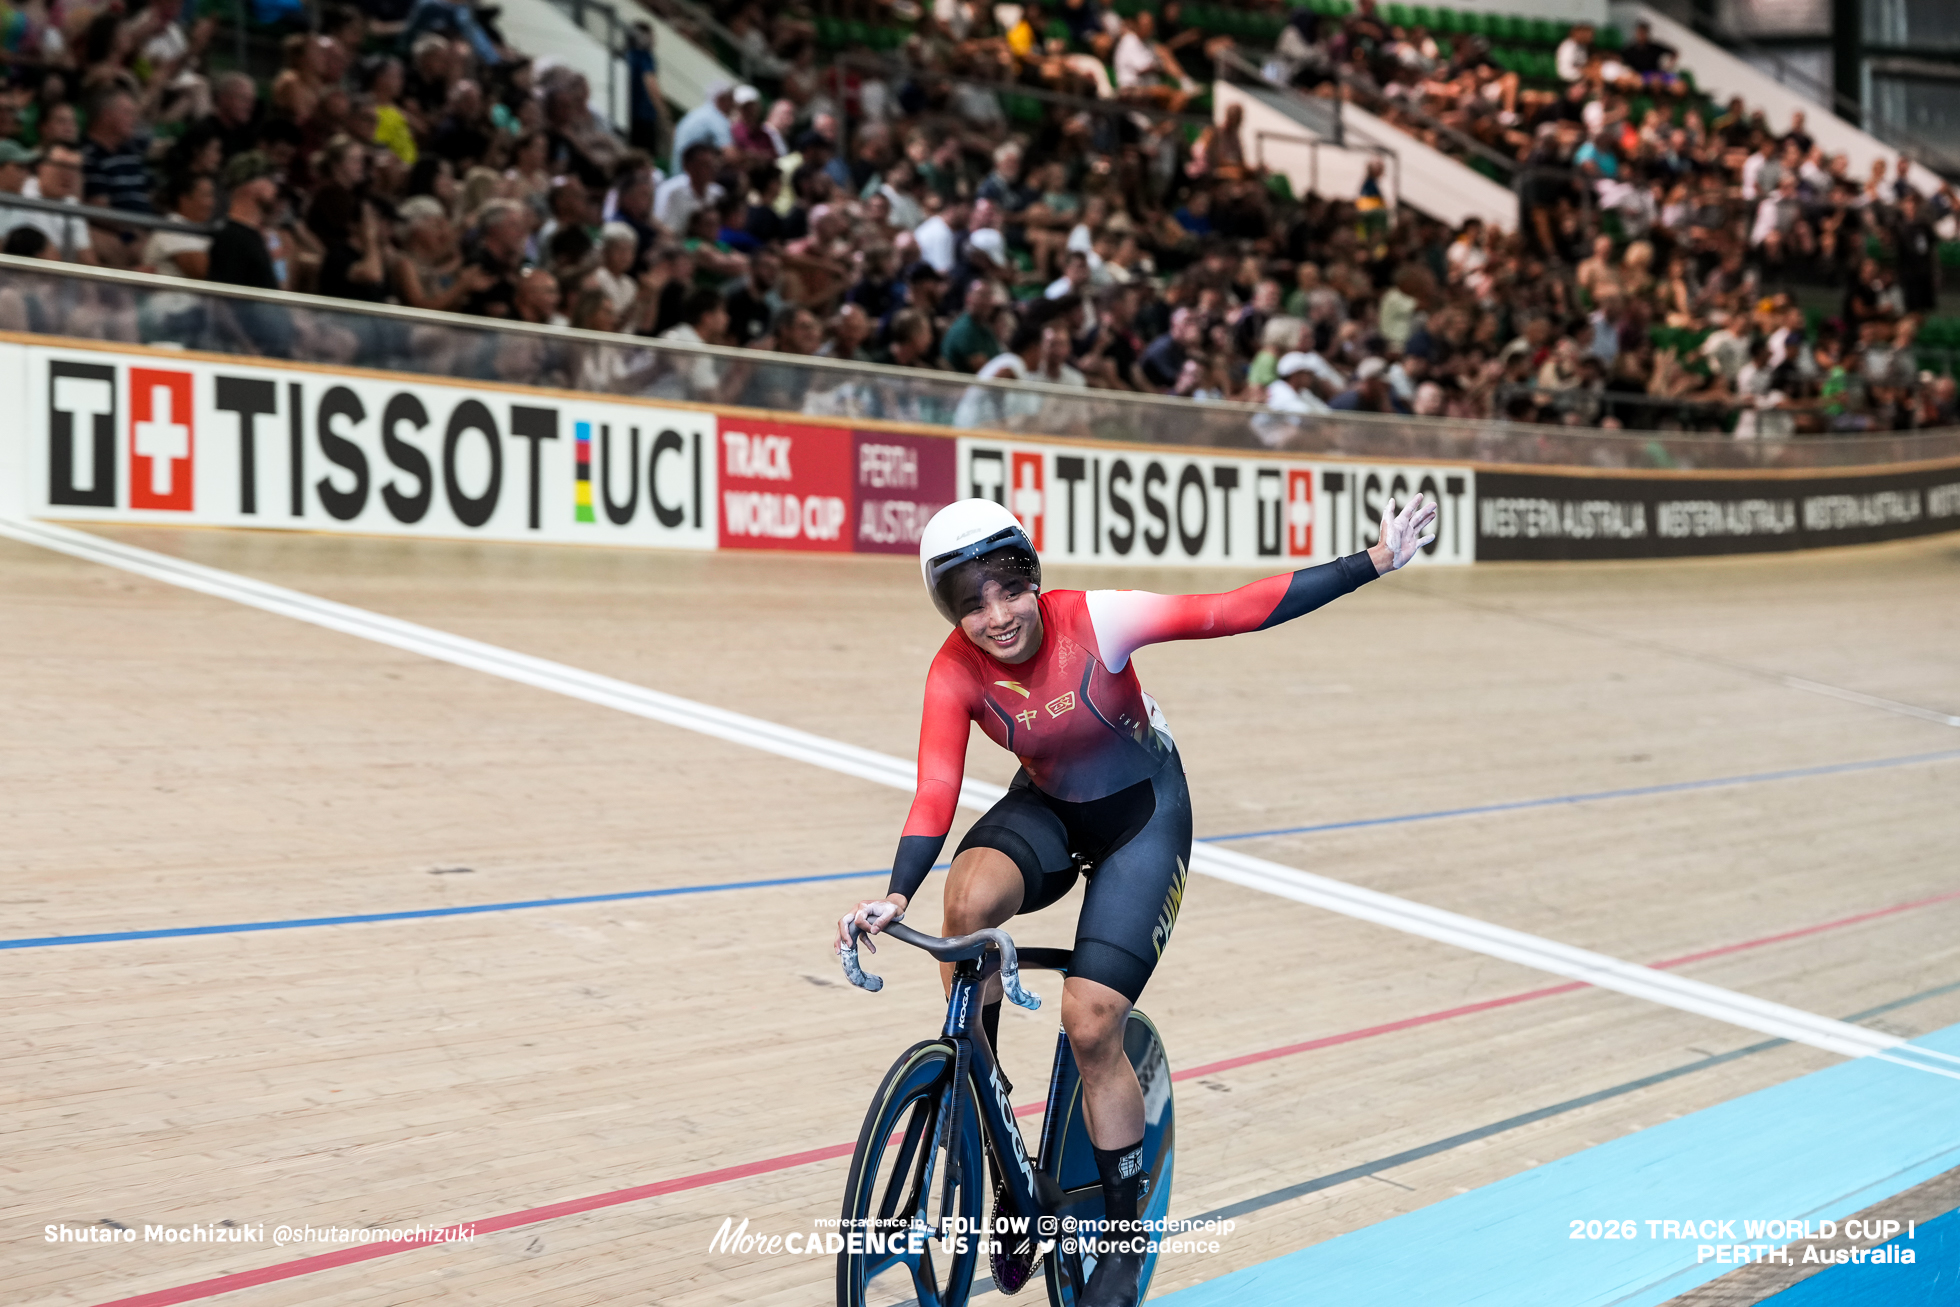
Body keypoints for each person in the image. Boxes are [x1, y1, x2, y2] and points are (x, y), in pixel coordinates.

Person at [835, 493, 1439, 1307]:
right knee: (963, 903)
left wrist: (1371, 561)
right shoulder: (952, 670)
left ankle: (1121, 1242)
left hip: (1142, 821)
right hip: (1051, 804)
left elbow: (1231, 610)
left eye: (1010, 589)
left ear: (1033, 579)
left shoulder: (1098, 619)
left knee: (1090, 1022)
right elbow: (935, 787)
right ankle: (989, 1124)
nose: (998, 615)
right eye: (971, 602)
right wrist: (894, 890)